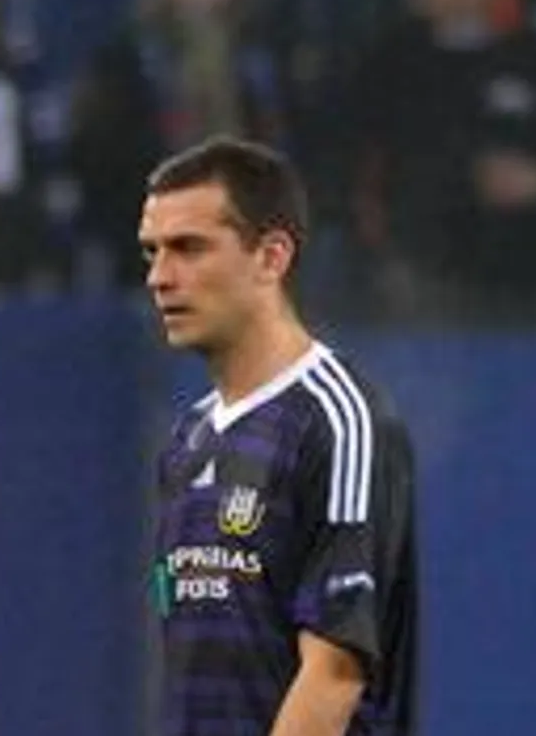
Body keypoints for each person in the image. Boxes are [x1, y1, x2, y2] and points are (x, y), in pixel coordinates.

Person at [139, 137, 419, 735]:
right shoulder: (187, 441)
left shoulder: (337, 421)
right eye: (152, 252)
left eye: (188, 248)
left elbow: (335, 675)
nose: (160, 277)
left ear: (271, 258)